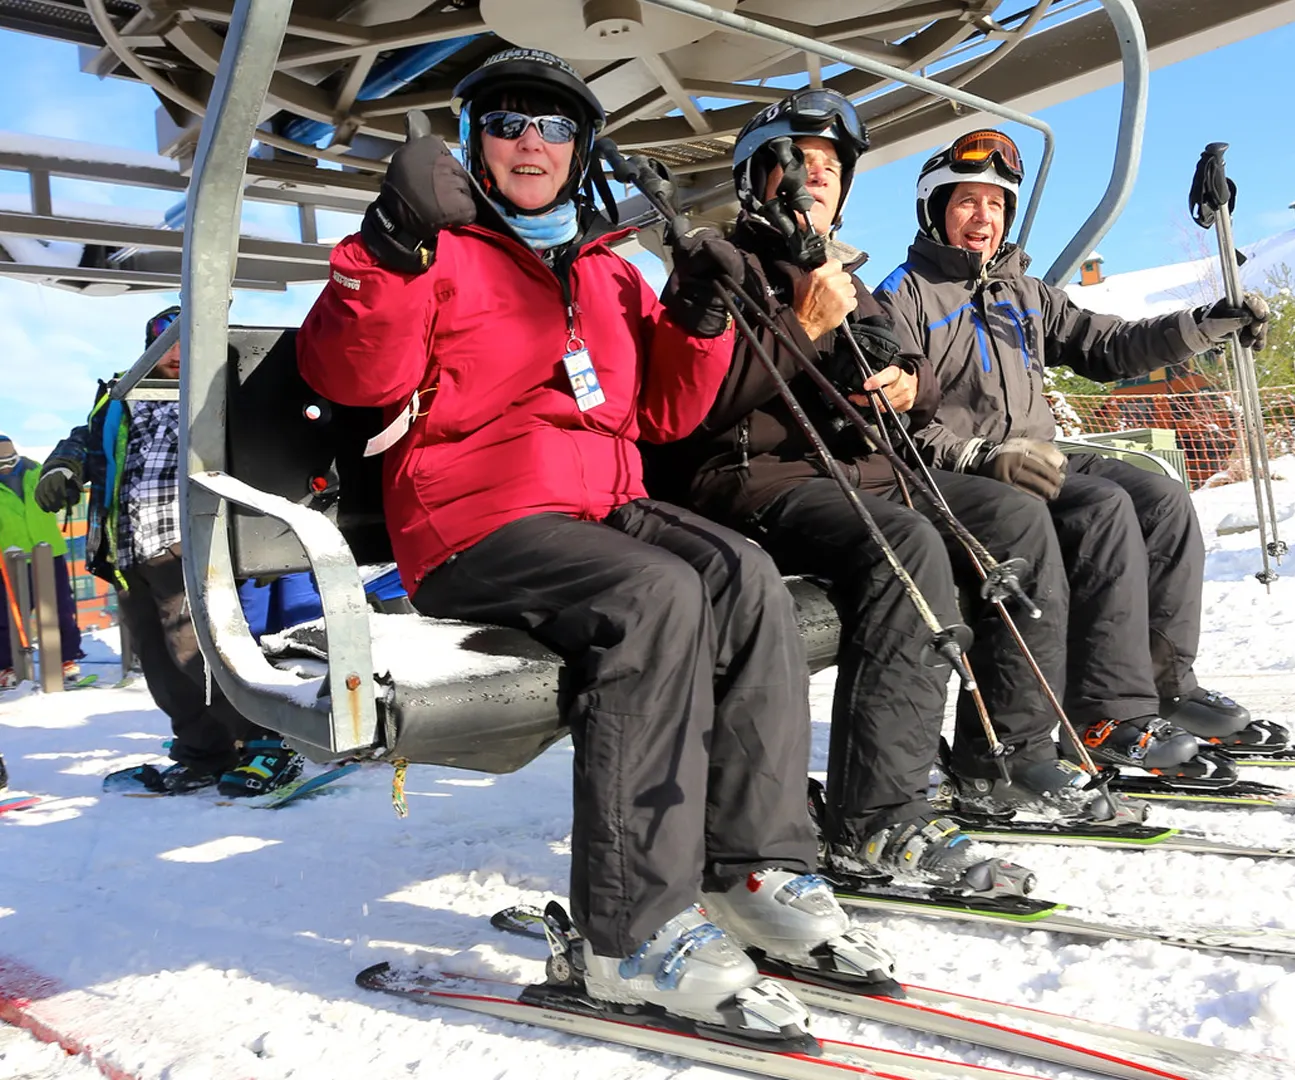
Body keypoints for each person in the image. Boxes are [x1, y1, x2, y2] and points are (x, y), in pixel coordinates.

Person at [297, 49, 881, 1031]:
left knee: (741, 574)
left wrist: (695, 316)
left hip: (596, 509)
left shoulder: (607, 272)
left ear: (583, 148)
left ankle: (751, 867)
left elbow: (659, 411)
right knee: (656, 596)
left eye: (556, 126)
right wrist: (392, 242)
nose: (533, 142)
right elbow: (351, 373)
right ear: (477, 141)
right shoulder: (440, 250)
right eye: (509, 123)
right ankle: (630, 933)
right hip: (473, 524)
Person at [651, 91, 1139, 893]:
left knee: (1015, 519)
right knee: (906, 549)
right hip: (757, 481)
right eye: (798, 164)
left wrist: (907, 383)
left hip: (866, 475)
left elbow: (906, 371)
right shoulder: (717, 266)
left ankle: (1007, 755)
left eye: (831, 169)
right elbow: (693, 408)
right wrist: (803, 324)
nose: (816, 181)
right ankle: (876, 816)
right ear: (755, 177)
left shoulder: (845, 273)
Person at [876, 129, 1289, 761]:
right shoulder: (902, 297)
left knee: (1162, 497)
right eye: (966, 201)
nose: (983, 216)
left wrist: (1204, 326)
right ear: (936, 210)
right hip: (967, 469)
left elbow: (1110, 346)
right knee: (1101, 509)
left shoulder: (1024, 293)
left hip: (1037, 452)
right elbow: (894, 420)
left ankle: (1164, 686)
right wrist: (978, 455)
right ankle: (1103, 714)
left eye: (996, 203)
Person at [35, 308, 310, 795]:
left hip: (189, 541)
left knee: (199, 653)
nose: (179, 353)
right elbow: (85, 439)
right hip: (127, 548)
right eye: (168, 343)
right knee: (160, 666)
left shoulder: (218, 391)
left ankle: (268, 745)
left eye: (189, 341)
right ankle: (204, 752)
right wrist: (63, 465)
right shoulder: (122, 394)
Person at [1, 434, 85, 686]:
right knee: (6, 616)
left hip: (48, 553)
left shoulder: (37, 472)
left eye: (9, 459)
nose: (5, 466)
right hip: (8, 558)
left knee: (60, 609)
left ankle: (66, 659)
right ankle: (6, 666)